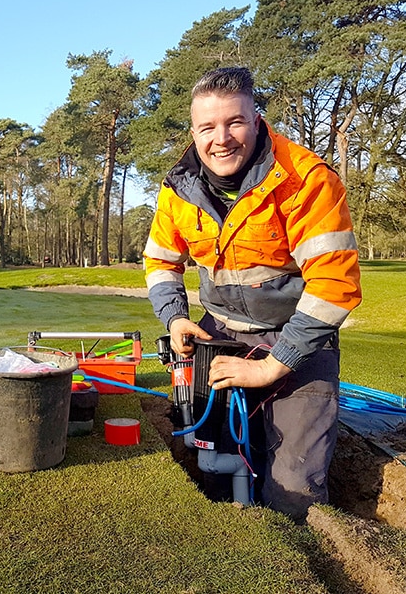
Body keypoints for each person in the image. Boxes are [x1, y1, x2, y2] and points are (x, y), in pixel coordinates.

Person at [143, 67, 362, 520]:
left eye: (234, 122)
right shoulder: (178, 188)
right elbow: (161, 260)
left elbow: (334, 286)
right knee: (213, 468)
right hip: (219, 334)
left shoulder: (306, 180)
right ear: (194, 132)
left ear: (257, 120)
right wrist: (176, 318)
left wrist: (271, 367)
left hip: (295, 341)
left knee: (293, 490)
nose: (221, 138)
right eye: (207, 127)